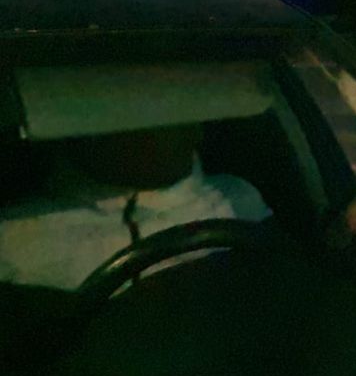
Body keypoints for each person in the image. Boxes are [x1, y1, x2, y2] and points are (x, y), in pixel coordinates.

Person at [0, 123, 271, 289]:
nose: (194, 132)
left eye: (187, 113)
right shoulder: (15, 235)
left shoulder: (237, 195)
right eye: (162, 118)